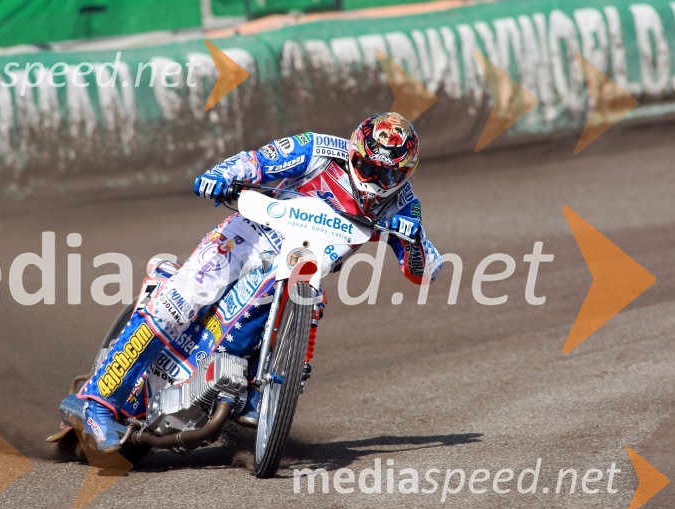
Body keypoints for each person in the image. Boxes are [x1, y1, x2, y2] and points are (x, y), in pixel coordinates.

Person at [79, 112, 444, 451]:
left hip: (299, 265)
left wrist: (414, 240)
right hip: (249, 235)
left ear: (405, 174)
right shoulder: (318, 149)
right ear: (355, 152)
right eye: (369, 167)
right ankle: (99, 402)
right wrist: (220, 176)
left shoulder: (404, 203)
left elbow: (424, 271)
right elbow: (255, 161)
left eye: (390, 175)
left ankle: (258, 388)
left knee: (311, 304)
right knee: (179, 302)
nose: (378, 181)